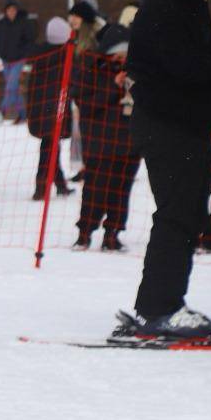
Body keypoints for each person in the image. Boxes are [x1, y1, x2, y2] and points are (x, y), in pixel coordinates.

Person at [122, 0, 211, 337]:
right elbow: (189, 69)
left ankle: (166, 302)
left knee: (186, 215)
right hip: (167, 128)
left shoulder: (187, 5)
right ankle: (158, 308)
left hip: (185, 129)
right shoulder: (165, 7)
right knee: (177, 214)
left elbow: (203, 72)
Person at [70, 24, 141, 251]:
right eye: (119, 53)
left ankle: (113, 232)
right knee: (95, 189)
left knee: (121, 190)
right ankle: (85, 232)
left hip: (129, 143)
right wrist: (113, 86)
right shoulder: (91, 70)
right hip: (99, 143)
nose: (122, 58)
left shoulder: (138, 71)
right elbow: (86, 104)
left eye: (126, 53)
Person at [26, 18, 74, 200]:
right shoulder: (62, 57)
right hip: (54, 110)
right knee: (50, 148)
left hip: (41, 109)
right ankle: (41, 188)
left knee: (51, 147)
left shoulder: (40, 56)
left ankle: (60, 184)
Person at [0, 0, 36, 122]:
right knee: (14, 88)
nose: (11, 12)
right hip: (5, 59)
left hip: (19, 60)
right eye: (9, 10)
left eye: (13, 10)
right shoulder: (2, 23)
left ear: (16, 11)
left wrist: (26, 54)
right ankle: (22, 115)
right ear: (5, 11)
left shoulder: (23, 23)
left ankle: (2, 111)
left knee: (10, 86)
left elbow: (30, 40)